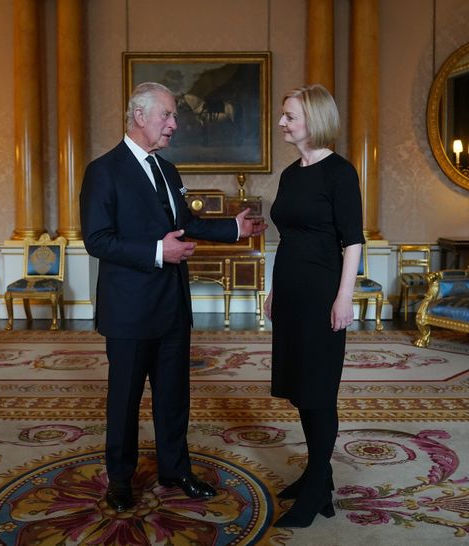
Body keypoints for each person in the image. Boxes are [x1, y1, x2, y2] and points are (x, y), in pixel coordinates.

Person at [80, 81, 266, 513]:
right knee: (124, 403)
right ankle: (121, 481)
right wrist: (155, 251)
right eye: (166, 115)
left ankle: (175, 470)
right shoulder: (103, 170)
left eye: (174, 116)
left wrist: (233, 229)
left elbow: (187, 223)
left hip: (172, 308)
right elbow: (97, 239)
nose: (174, 125)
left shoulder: (169, 171)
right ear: (139, 116)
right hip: (128, 312)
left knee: (173, 397)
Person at [264, 84, 364, 528]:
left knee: (319, 391)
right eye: (284, 115)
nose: (282, 122)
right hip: (290, 292)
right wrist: (272, 289)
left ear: (315, 120)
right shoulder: (290, 174)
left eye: (290, 116)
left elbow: (354, 241)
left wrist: (344, 296)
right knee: (301, 388)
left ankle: (320, 484)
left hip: (323, 294)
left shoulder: (340, 173)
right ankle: (314, 475)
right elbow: (287, 237)